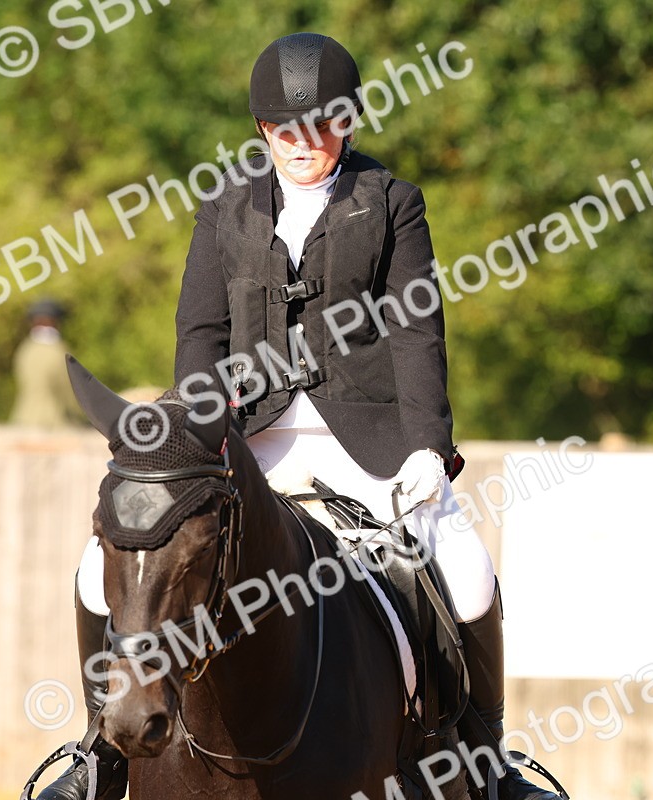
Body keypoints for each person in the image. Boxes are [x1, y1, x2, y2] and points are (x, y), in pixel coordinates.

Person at [41, 33, 562, 800]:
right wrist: (202, 426)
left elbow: (418, 327)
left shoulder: (390, 202)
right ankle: (101, 755)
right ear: (263, 132)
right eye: (286, 130)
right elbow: (202, 333)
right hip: (249, 435)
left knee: (469, 572)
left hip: (368, 438)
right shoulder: (225, 205)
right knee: (97, 571)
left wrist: (428, 446)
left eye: (321, 126)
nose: (303, 144)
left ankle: (490, 766)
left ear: (347, 123)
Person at [11, 299, 83, 429]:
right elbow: (70, 391)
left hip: (22, 419)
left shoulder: (25, 350)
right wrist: (84, 414)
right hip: (53, 422)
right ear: (56, 322)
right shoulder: (59, 351)